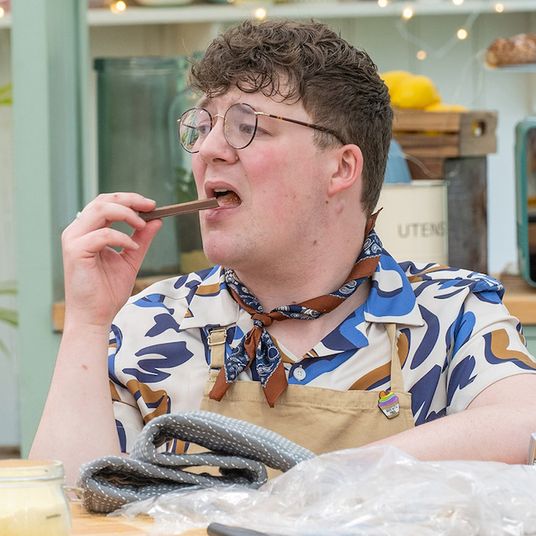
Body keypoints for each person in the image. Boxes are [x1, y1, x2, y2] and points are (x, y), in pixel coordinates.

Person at [31, 19, 536, 485]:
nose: (208, 150)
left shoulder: (451, 314)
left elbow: (521, 423)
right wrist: (87, 323)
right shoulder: (151, 324)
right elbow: (67, 505)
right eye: (203, 128)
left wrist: (313, 484)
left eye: (246, 125)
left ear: (341, 168)